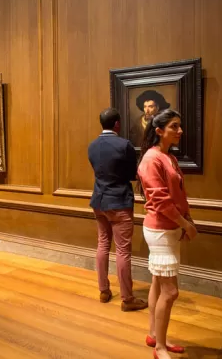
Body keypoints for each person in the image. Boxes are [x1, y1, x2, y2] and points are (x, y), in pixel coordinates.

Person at [137, 109, 197, 359]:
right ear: (159, 130)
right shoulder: (152, 159)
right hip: (161, 229)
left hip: (169, 227)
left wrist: (187, 219)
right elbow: (160, 201)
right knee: (171, 291)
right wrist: (186, 224)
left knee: (158, 284)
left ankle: (154, 334)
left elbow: (178, 194)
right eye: (175, 126)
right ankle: (160, 347)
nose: (180, 131)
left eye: (180, 126)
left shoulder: (166, 156)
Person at [88, 108, 148, 312]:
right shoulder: (125, 145)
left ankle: (104, 290)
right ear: (117, 124)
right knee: (123, 251)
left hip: (99, 201)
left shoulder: (92, 146)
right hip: (119, 202)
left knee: (102, 244)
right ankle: (127, 299)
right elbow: (133, 174)